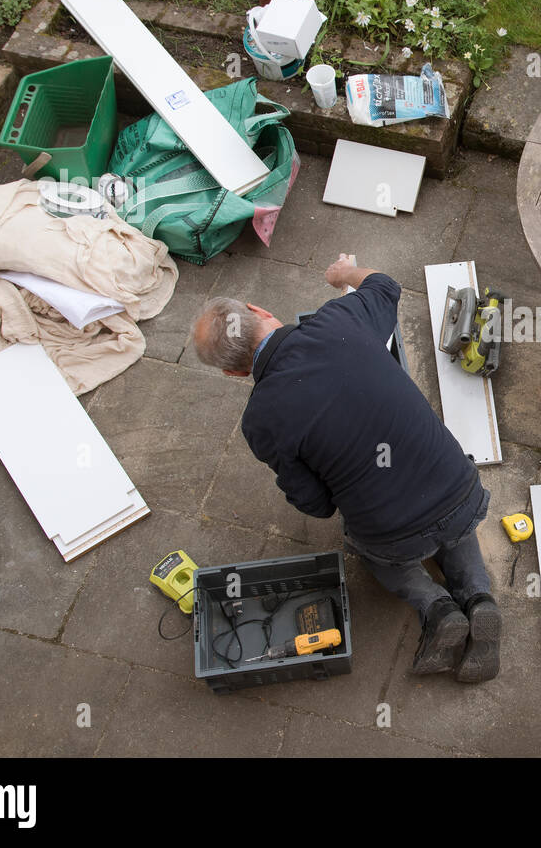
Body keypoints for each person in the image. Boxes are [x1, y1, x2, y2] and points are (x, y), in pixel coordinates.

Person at [190, 255, 500, 682]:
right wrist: (343, 275)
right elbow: (386, 285)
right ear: (259, 311)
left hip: (394, 533)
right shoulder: (340, 318)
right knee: (453, 519)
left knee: (372, 549)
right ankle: (480, 601)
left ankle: (437, 608)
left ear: (232, 371)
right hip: (457, 486)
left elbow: (317, 505)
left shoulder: (261, 421)